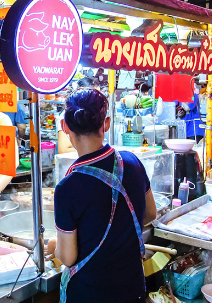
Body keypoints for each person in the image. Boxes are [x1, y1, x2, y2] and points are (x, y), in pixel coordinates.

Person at [47, 89, 155, 303]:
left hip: (90, 295)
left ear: (64, 126)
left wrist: (53, 245)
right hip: (132, 291)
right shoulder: (132, 162)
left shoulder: (68, 187)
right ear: (106, 124)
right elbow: (150, 213)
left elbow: (67, 257)